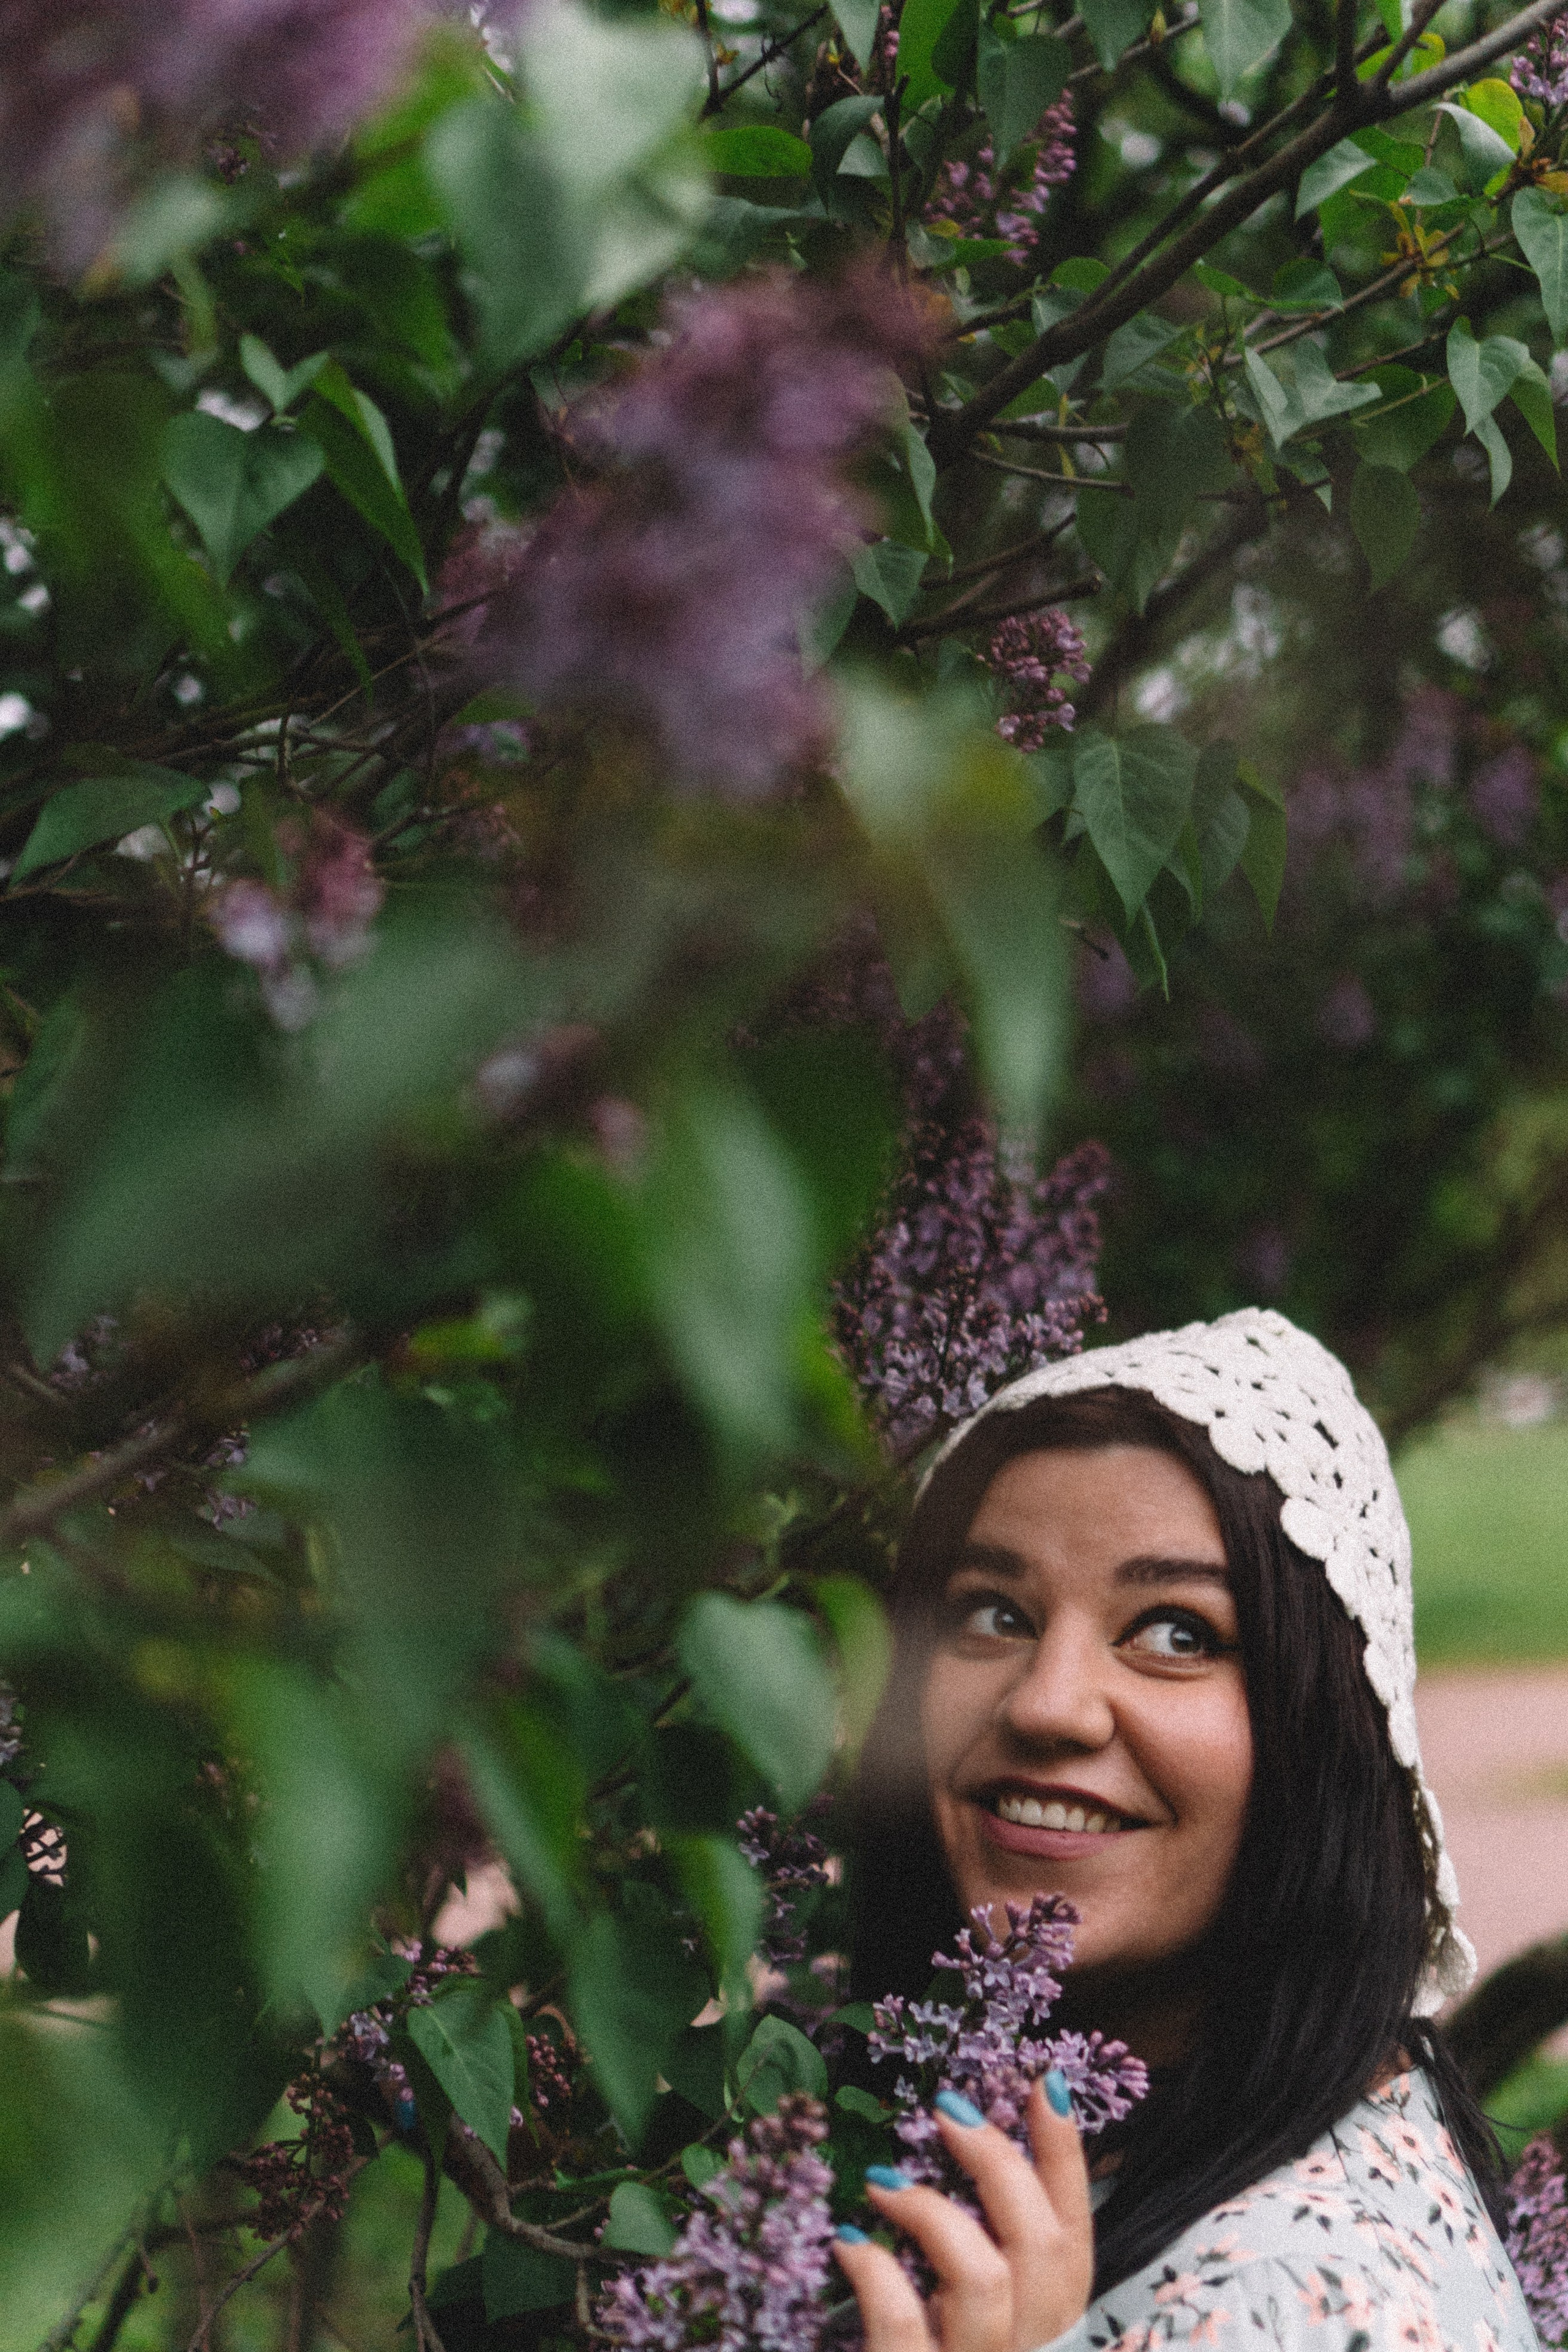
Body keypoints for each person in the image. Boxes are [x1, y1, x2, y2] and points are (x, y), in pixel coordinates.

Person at [832, 1308, 1540, 2352]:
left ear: (1322, 1734)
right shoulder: (1118, 2110)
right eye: (993, 1613)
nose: (1047, 1705)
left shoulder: (1311, 2307)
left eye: (1176, 1632)